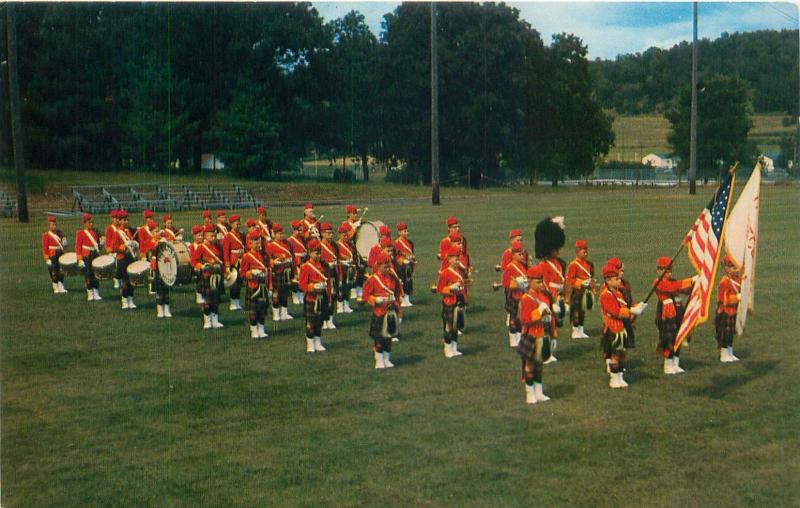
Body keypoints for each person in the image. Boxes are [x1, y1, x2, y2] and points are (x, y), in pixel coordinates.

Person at [599, 263, 647, 388]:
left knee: (621, 353)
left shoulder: (618, 293)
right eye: (616, 279)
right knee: (615, 354)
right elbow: (616, 311)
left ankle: (620, 377)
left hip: (621, 327)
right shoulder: (606, 295)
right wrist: (632, 311)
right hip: (613, 327)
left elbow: (625, 306)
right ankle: (614, 379)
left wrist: (637, 307)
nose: (619, 281)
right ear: (608, 280)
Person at [515, 264, 553, 404]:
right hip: (531, 335)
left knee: (539, 364)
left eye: (541, 281)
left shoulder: (542, 297)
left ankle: (539, 391)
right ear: (529, 281)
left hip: (541, 334)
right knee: (530, 365)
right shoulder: (526, 298)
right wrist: (539, 312)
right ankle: (529, 393)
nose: (541, 284)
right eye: (538, 282)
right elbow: (525, 320)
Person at [653, 256, 695, 374]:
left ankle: (675, 363)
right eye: (665, 270)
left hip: (677, 313)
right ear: (659, 271)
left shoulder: (673, 281)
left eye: (670, 270)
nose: (668, 273)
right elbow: (671, 287)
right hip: (666, 316)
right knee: (669, 339)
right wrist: (690, 281)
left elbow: (683, 290)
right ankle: (668, 364)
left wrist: (695, 285)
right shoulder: (658, 283)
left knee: (678, 337)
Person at [534, 216, 566, 363]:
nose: (557, 251)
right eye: (554, 249)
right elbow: (545, 285)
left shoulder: (559, 263)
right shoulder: (543, 266)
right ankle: (545, 353)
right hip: (548, 300)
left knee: (554, 328)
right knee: (546, 327)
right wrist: (551, 301)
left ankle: (550, 352)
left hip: (557, 297)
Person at [363, 253, 402, 368]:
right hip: (379, 313)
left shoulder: (392, 278)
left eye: (388, 266)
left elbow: (397, 295)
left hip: (390, 313)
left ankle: (386, 359)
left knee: (388, 338)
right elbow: (365, 295)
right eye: (385, 267)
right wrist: (375, 299)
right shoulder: (373, 279)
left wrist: (399, 312)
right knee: (379, 339)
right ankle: (379, 360)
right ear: (378, 266)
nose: (387, 269)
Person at [191, 225, 225, 329]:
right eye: (211, 236)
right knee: (207, 300)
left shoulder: (219, 246)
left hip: (217, 276)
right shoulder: (201, 247)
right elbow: (193, 261)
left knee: (216, 300)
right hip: (206, 276)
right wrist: (201, 266)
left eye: (215, 235)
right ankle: (207, 321)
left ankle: (215, 320)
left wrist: (224, 273)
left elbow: (222, 259)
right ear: (205, 236)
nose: (214, 238)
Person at [298, 239, 329, 353]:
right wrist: (312, 287)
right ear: (310, 253)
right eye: (316, 253)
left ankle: (318, 341)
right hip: (311, 299)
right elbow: (302, 284)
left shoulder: (323, 265)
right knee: (311, 322)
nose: (319, 255)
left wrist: (324, 285)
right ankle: (310, 343)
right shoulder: (306, 267)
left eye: (320, 253)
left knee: (319, 321)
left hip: (321, 298)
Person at [437, 245, 467, 358]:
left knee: (456, 326)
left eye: (458, 258)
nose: (457, 260)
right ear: (449, 259)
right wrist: (450, 289)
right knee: (448, 326)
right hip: (449, 302)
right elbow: (440, 288)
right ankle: (447, 348)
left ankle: (454, 348)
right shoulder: (445, 273)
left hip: (458, 301)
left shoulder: (460, 271)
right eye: (455, 258)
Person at [240, 230, 271, 339]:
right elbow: (243, 273)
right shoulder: (246, 256)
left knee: (262, 310)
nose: (259, 245)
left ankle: (261, 329)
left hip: (263, 286)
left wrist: (270, 286)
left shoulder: (265, 255)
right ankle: (253, 330)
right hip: (253, 286)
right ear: (250, 243)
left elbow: (269, 270)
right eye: (256, 243)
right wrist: (251, 273)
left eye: (260, 242)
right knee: (253, 310)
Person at [566, 239, 595, 339]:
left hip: (585, 292)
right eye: (583, 250)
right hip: (577, 292)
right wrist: (581, 283)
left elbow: (591, 277)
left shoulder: (589, 264)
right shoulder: (573, 264)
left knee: (583, 311)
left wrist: (591, 286)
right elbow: (570, 280)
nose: (585, 252)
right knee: (576, 311)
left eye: (586, 250)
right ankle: (575, 330)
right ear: (577, 252)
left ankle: (581, 330)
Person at [142, 221, 172, 318]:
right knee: (159, 289)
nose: (158, 233)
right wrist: (159, 242)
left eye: (158, 231)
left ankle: (167, 309)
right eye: (155, 231)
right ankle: (160, 310)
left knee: (166, 288)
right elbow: (151, 248)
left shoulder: (164, 240)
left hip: (165, 265)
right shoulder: (150, 242)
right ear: (151, 233)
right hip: (156, 267)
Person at [265, 223, 294, 321]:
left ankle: (284, 313)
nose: (281, 236)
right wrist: (273, 262)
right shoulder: (271, 246)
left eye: (282, 233)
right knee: (276, 294)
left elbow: (292, 256)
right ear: (274, 234)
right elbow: (267, 260)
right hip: (276, 272)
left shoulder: (288, 243)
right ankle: (276, 314)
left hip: (286, 271)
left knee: (285, 293)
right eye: (279, 234)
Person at [502, 241, 528, 347]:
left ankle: (519, 337)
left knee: (520, 319)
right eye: (519, 254)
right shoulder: (510, 267)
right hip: (514, 296)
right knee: (513, 318)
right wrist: (518, 283)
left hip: (522, 296)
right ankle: (513, 339)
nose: (522, 256)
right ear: (513, 255)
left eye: (523, 254)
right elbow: (506, 283)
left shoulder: (523, 266)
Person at [715, 254, 741, 362]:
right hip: (725, 312)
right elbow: (724, 299)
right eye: (732, 267)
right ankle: (724, 353)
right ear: (726, 268)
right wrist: (737, 297)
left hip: (734, 311)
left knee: (731, 332)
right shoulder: (724, 282)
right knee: (725, 333)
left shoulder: (738, 280)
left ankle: (730, 351)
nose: (736, 269)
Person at [111, 210, 138, 309]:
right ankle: (124, 300)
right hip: (122, 259)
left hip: (130, 258)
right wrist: (122, 247)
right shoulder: (117, 233)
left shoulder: (128, 231)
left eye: (127, 220)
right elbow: (114, 247)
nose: (126, 222)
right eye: (124, 220)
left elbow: (131, 243)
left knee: (131, 281)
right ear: (120, 221)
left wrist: (134, 244)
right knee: (125, 281)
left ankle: (131, 299)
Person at [75, 213, 102, 301]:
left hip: (95, 254)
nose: (91, 224)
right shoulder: (80, 233)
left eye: (92, 222)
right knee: (88, 274)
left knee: (96, 274)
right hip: (86, 255)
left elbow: (97, 245)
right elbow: (78, 246)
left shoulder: (95, 232)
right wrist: (79, 259)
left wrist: (101, 244)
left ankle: (96, 292)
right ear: (85, 223)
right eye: (89, 222)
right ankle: (90, 292)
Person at [222, 214, 245, 311]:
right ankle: (232, 302)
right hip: (233, 261)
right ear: (231, 224)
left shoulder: (242, 235)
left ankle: (237, 302)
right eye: (236, 224)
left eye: (239, 224)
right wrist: (227, 265)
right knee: (234, 283)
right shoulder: (228, 236)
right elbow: (226, 251)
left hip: (241, 260)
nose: (238, 226)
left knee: (239, 282)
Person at [319, 223, 338, 329]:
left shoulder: (334, 245)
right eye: (328, 233)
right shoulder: (320, 246)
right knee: (324, 298)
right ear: (322, 233)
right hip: (323, 275)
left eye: (331, 233)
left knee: (332, 297)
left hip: (333, 275)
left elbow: (337, 258)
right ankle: (324, 320)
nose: (330, 235)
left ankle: (330, 319)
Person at [42, 215, 68, 294]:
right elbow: (45, 247)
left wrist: (65, 241)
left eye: (55, 224)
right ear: (49, 226)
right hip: (52, 254)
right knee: (53, 270)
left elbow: (64, 240)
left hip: (59, 252)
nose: (54, 226)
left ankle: (61, 285)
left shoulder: (59, 233)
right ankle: (55, 286)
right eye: (52, 225)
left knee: (61, 270)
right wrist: (46, 258)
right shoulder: (46, 235)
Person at [336, 223, 357, 314]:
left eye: (346, 234)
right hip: (341, 268)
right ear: (339, 235)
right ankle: (340, 306)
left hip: (349, 268)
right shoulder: (337, 245)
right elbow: (336, 256)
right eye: (343, 234)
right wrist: (343, 259)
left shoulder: (350, 244)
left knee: (347, 287)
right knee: (340, 288)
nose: (345, 236)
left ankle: (346, 304)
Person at [394, 222, 415, 308]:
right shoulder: (396, 242)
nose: (406, 233)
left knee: (408, 281)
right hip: (400, 265)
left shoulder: (410, 242)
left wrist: (412, 258)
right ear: (399, 232)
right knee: (401, 281)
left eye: (406, 231)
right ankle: (401, 298)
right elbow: (396, 255)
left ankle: (407, 298)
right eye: (403, 231)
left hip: (408, 264)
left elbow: (412, 253)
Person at [287, 220, 308, 305]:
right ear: (294, 230)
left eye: (301, 230)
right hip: (296, 260)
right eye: (298, 230)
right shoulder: (290, 240)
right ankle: (295, 294)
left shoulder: (303, 239)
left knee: (302, 278)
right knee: (296, 279)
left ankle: (301, 294)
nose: (300, 232)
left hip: (303, 259)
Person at [188, 225, 205, 304]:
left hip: (204, 265)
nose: (201, 237)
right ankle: (199, 296)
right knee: (200, 279)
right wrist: (197, 266)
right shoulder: (191, 247)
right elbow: (191, 259)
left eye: (202, 235)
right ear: (194, 237)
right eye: (199, 236)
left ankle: (205, 294)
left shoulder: (204, 245)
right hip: (195, 266)